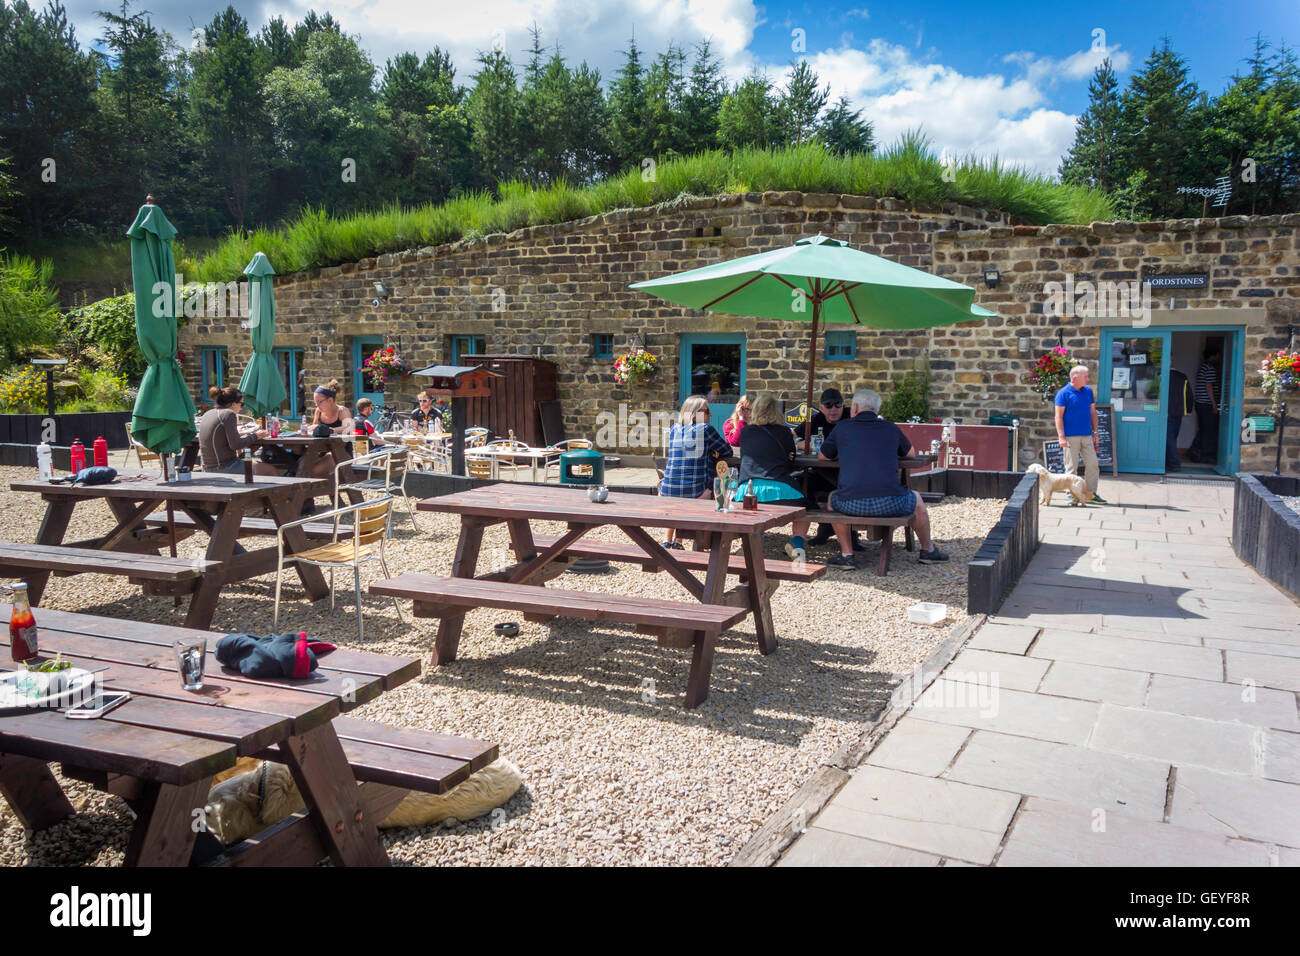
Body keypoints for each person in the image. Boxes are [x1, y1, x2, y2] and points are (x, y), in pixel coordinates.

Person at [819, 388, 948, 569]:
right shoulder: (890, 428)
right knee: (917, 499)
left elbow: (823, 456)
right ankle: (928, 550)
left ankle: (847, 555)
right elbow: (911, 454)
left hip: (851, 503)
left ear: (854, 408)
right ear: (877, 409)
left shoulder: (842, 427)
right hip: (890, 504)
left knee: (832, 498)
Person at [736, 393, 811, 558]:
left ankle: (751, 544)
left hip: (746, 492)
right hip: (779, 489)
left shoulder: (746, 432)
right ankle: (797, 544)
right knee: (805, 507)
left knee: (752, 510)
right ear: (777, 412)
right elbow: (789, 464)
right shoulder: (784, 432)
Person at [792, 387, 860, 549]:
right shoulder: (815, 420)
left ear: (844, 406)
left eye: (838, 405)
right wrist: (802, 444)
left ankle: (850, 533)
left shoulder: (852, 417)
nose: (834, 409)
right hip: (821, 472)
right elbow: (792, 435)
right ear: (821, 408)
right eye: (828, 406)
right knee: (800, 484)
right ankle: (824, 524)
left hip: (849, 474)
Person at [659, 395, 729, 549]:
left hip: (667, 491)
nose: (710, 414)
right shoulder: (706, 429)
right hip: (696, 492)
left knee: (678, 493)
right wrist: (712, 451)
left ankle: (670, 540)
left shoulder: (674, 429)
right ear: (695, 413)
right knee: (716, 489)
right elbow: (727, 450)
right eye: (707, 411)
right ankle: (703, 543)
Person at [1054, 365, 1107, 504]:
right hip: (1070, 436)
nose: (1088, 379)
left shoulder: (1088, 391)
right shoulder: (1063, 393)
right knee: (1071, 467)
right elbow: (1058, 416)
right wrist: (1061, 436)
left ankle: (1090, 493)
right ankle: (1071, 494)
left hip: (1087, 435)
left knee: (1093, 464)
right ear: (1075, 378)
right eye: (1086, 377)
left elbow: (1093, 413)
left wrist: (1095, 432)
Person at [197, 386, 275, 476]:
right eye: (241, 404)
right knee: (270, 470)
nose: (242, 408)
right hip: (224, 467)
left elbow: (221, 435)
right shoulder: (228, 414)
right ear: (233, 404)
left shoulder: (208, 413)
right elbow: (236, 445)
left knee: (256, 464)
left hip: (208, 467)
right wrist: (256, 436)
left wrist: (245, 432)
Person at [1190, 345, 1221, 464]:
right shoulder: (1210, 369)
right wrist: (1214, 404)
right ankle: (1204, 455)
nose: (1218, 358)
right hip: (1206, 404)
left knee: (1203, 429)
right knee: (1209, 430)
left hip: (1200, 403)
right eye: (1217, 355)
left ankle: (1195, 452)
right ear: (1213, 356)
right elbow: (1209, 386)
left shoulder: (1203, 367)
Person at [1167, 367, 1192, 472]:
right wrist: (1189, 409)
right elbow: (1189, 395)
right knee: (1172, 437)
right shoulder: (1182, 376)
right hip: (1178, 412)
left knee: (1169, 439)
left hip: (1165, 411)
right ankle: (1168, 462)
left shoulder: (1160, 375)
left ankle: (1174, 464)